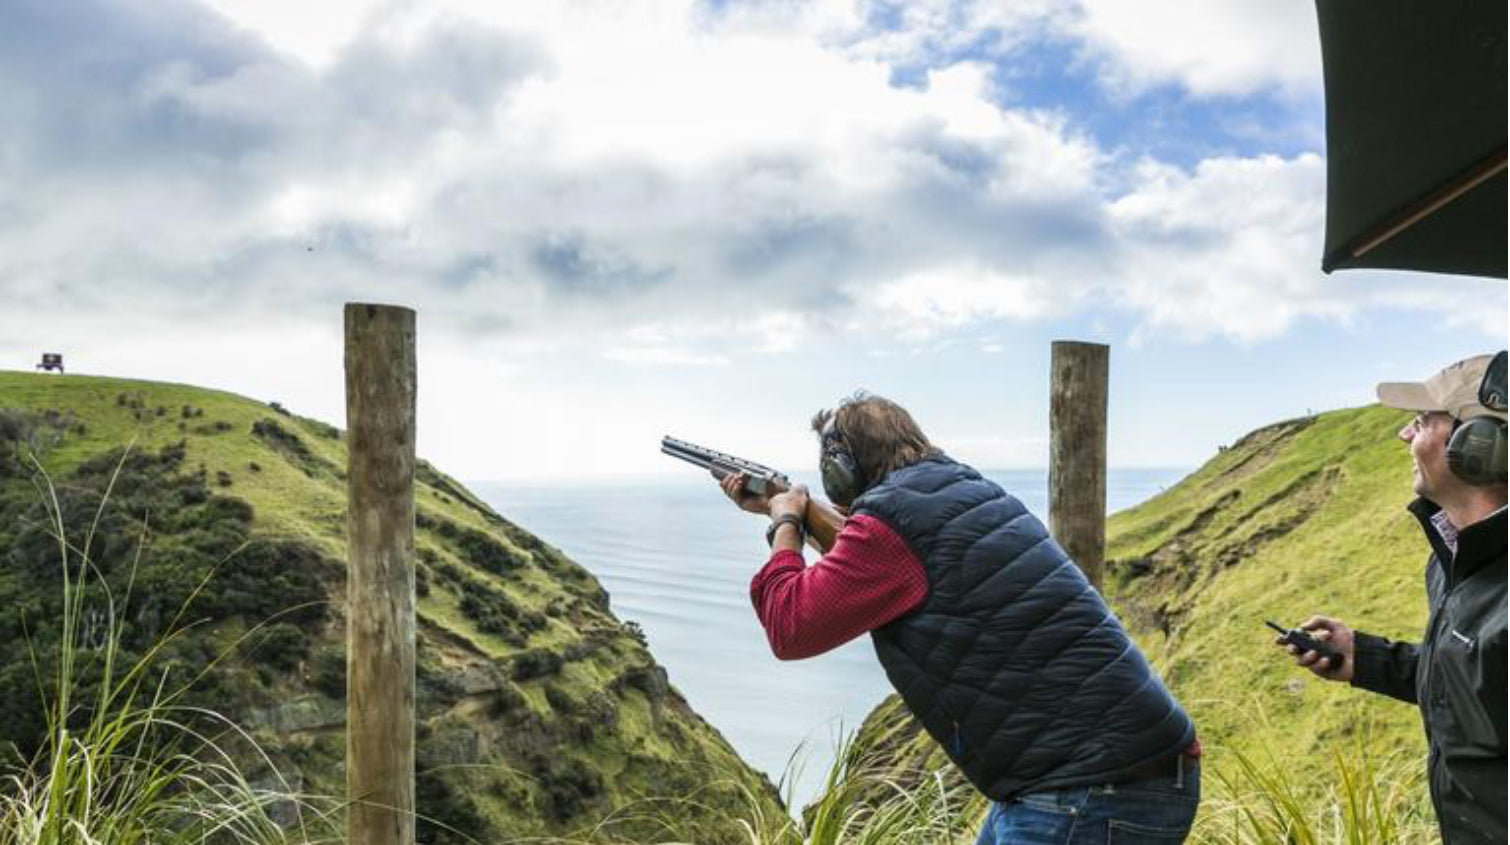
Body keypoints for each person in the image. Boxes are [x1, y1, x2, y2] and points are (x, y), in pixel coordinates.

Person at [719, 392, 1201, 844]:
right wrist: (787, 511)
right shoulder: (963, 490)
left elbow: (791, 627)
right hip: (1124, 769)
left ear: (842, 470)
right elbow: (872, 562)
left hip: (1088, 786)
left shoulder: (892, 525)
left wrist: (785, 523)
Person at [1277, 353, 1506, 845]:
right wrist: (1365, 658)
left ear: (1479, 446)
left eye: (1422, 422)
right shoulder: (1456, 560)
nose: (1405, 436)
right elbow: (1477, 677)